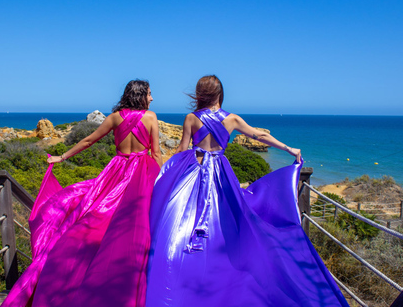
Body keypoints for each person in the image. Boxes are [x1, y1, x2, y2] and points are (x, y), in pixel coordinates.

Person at [146, 75, 349, 306]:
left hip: (194, 171)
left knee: (181, 216)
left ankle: (189, 264)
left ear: (200, 94)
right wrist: (288, 148)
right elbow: (259, 135)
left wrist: (165, 176)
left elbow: (182, 150)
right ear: (220, 94)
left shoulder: (191, 118)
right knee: (230, 216)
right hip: (221, 173)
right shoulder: (230, 119)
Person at [2, 80, 162, 307]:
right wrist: (164, 180)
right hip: (141, 174)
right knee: (137, 224)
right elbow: (155, 153)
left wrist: (62, 157)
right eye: (149, 93)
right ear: (140, 95)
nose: (152, 98)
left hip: (115, 172)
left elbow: (88, 140)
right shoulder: (151, 117)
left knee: (93, 216)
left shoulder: (115, 117)